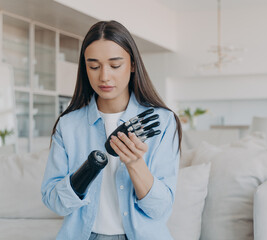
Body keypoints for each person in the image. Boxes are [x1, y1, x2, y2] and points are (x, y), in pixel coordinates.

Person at [41, 20, 182, 240]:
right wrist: (86, 172)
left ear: (133, 65)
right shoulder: (68, 126)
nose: (104, 76)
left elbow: (160, 209)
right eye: (94, 66)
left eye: (115, 65)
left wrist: (135, 164)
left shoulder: (162, 122)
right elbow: (54, 202)